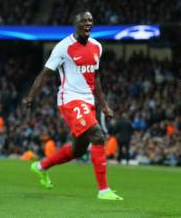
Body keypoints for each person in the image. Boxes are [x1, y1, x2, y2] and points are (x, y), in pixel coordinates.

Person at [22, 11, 122, 201]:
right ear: (75, 24)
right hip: (70, 99)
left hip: (88, 101)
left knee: (79, 150)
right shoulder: (63, 47)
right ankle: (104, 190)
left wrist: (104, 106)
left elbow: (96, 78)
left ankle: (41, 166)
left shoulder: (97, 47)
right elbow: (45, 73)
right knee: (98, 136)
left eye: (90, 20)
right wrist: (30, 97)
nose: (87, 23)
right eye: (83, 20)